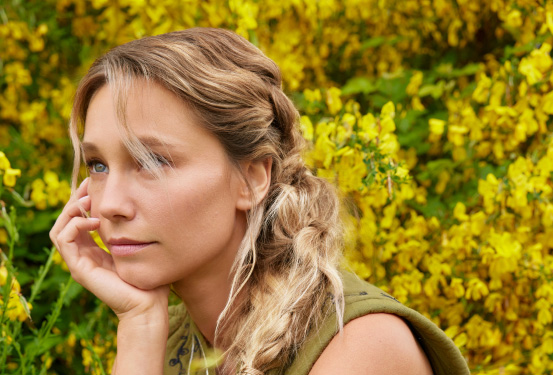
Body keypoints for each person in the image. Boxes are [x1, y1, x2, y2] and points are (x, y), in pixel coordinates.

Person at [50, 28, 469, 375]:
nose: (108, 206)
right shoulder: (168, 335)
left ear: (252, 178)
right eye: (98, 165)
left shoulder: (358, 347)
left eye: (152, 162)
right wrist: (139, 327)